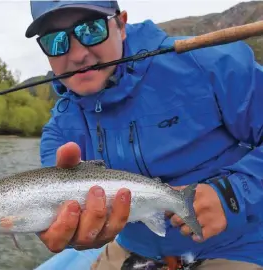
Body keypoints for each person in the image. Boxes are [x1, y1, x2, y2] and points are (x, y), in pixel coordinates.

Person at [25, 1, 263, 269]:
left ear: (121, 25)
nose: (78, 54)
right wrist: (68, 232)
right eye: (56, 41)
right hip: (132, 250)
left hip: (241, 246)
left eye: (91, 29)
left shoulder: (211, 64)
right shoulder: (59, 132)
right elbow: (58, 213)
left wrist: (235, 194)